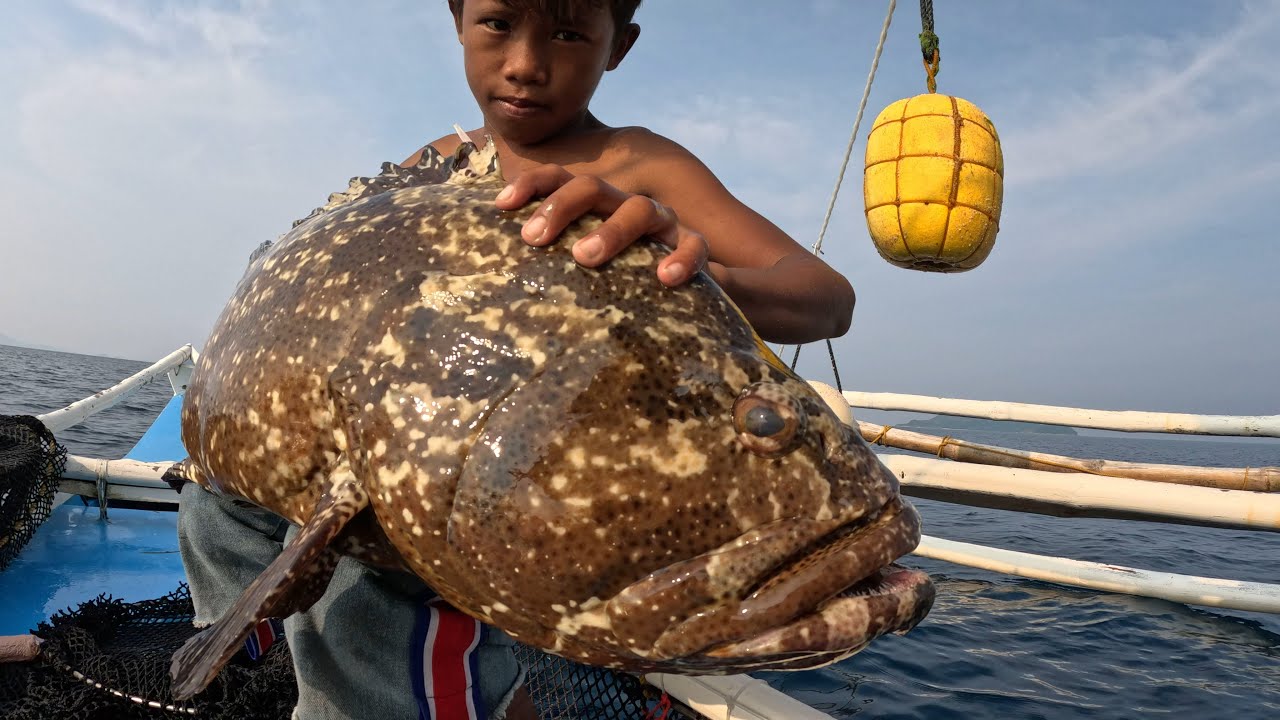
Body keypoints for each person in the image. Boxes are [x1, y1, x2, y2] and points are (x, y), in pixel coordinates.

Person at [179, 1, 855, 719]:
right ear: (458, 18)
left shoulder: (637, 163)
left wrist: (684, 268)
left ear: (618, 46)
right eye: (499, 22)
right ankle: (252, 657)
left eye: (568, 34)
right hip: (377, 455)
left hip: (494, 497)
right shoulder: (438, 162)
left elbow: (826, 296)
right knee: (210, 508)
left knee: (365, 607)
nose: (527, 65)